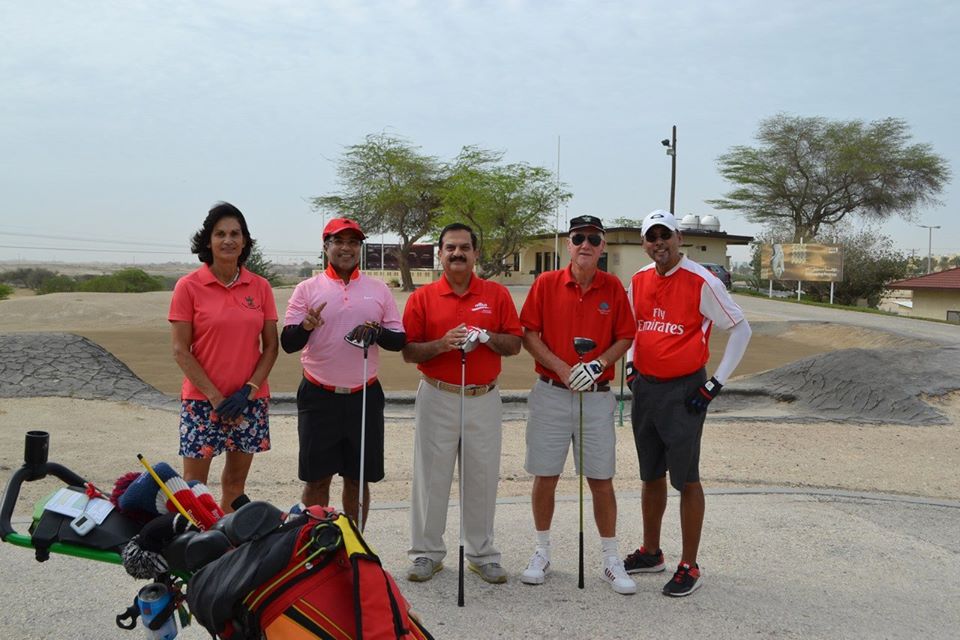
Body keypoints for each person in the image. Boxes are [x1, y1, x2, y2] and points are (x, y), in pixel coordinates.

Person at [623, 209, 752, 597]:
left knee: (686, 478)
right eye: (652, 237)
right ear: (644, 243)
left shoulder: (702, 281)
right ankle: (651, 552)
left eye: (665, 235)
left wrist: (714, 385)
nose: (659, 243)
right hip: (646, 389)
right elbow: (632, 328)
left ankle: (689, 565)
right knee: (650, 474)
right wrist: (630, 368)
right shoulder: (638, 279)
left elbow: (740, 329)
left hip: (685, 393)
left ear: (679, 238)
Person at [518, 214, 637, 595]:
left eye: (593, 239)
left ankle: (610, 558)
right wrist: (563, 368)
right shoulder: (546, 283)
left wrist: (598, 364)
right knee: (545, 475)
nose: (586, 244)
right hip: (551, 391)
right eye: (579, 238)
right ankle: (542, 552)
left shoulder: (612, 287)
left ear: (603, 247)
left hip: (596, 397)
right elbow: (529, 333)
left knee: (600, 479)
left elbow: (625, 336)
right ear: (568, 244)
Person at [402, 222, 522, 585]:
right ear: (440, 254)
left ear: (475, 253)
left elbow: (514, 344)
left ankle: (482, 554)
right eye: (450, 248)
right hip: (437, 394)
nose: (457, 253)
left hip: (482, 396)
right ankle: (426, 553)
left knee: (481, 476)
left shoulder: (496, 294)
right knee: (431, 477)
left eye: (464, 248)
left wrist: (486, 338)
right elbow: (408, 351)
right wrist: (442, 344)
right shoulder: (422, 297)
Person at [281, 217, 405, 528]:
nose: (346, 248)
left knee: (357, 479)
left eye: (353, 242)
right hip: (318, 395)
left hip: (364, 395)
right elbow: (288, 343)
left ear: (360, 248)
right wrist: (306, 326)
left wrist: (377, 333)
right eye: (338, 241)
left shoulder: (378, 289)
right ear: (326, 247)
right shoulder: (307, 289)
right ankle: (314, 545)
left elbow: (399, 340)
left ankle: (354, 545)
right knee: (316, 479)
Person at [169, 201, 279, 512]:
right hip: (202, 402)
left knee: (234, 485)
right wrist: (217, 399)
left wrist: (248, 392)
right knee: (194, 489)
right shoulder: (188, 286)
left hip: (249, 402)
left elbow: (271, 346)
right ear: (208, 240)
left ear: (244, 241)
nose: (228, 240)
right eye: (220, 234)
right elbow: (180, 350)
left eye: (235, 234)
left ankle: (227, 542)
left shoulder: (260, 287)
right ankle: (195, 542)